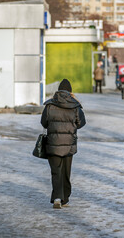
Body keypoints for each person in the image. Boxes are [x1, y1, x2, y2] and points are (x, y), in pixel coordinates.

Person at [41, 79, 86, 209]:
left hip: (53, 144)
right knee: (66, 172)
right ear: (70, 91)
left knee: (56, 172)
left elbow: (44, 122)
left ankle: (57, 198)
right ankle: (65, 198)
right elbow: (81, 123)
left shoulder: (50, 105)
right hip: (68, 145)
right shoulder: (75, 105)